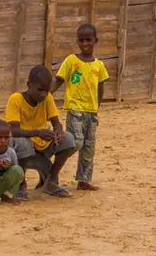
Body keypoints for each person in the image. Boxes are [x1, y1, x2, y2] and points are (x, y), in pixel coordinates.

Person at [51, 24, 109, 191]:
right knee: (75, 142)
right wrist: (46, 96)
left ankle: (83, 180)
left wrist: (97, 107)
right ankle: (53, 170)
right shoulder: (71, 60)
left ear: (95, 41)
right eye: (82, 40)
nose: (85, 44)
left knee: (89, 147)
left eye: (88, 40)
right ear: (77, 41)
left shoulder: (99, 65)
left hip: (91, 111)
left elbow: (100, 87)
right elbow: (59, 80)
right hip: (75, 109)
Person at [5, 66, 77, 199]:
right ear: (28, 85)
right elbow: (14, 131)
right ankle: (21, 183)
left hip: (42, 145)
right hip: (21, 149)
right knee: (23, 142)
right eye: (39, 89)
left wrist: (58, 132)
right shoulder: (15, 99)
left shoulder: (47, 98)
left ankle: (51, 180)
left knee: (69, 139)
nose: (43, 94)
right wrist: (38, 133)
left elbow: (56, 123)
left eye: (46, 90)